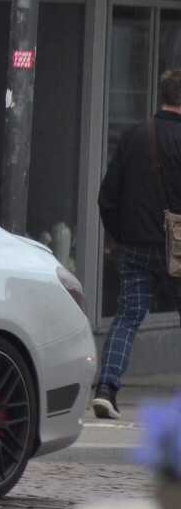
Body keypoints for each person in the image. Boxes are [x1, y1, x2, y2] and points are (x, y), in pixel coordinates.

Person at [94, 68, 181, 418]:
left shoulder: (133, 137)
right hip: (178, 247)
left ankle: (106, 388)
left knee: (128, 317)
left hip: (136, 247)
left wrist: (122, 235)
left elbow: (107, 197)